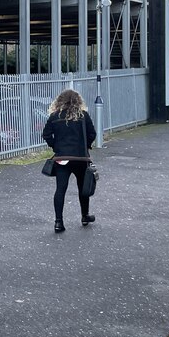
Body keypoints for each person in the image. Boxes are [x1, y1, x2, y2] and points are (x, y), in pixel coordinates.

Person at [41, 89, 97, 233]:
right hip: (80, 158)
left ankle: (58, 222)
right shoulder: (83, 116)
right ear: (78, 101)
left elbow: (46, 134)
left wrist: (55, 146)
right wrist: (85, 146)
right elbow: (92, 134)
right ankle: (85, 216)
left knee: (60, 189)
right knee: (83, 188)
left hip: (62, 159)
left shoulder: (54, 116)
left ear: (60, 101)